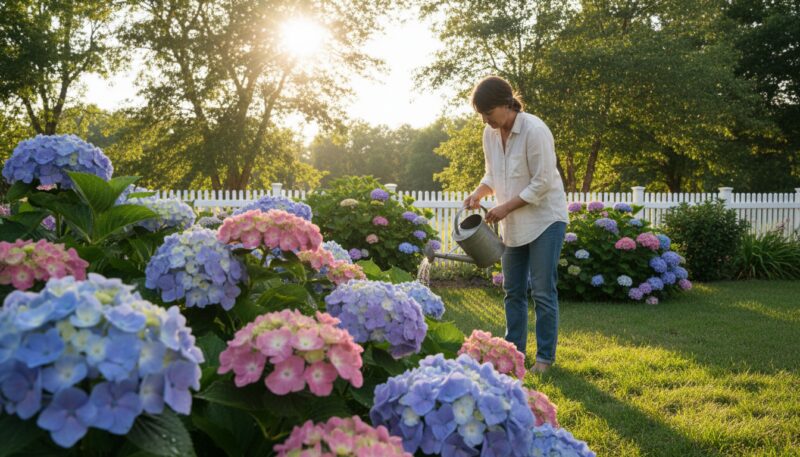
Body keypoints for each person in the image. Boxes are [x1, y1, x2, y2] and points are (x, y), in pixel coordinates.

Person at [463, 76, 569, 374]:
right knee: (513, 290)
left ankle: (545, 359)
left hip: (546, 219)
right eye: (481, 114)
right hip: (514, 222)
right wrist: (478, 193)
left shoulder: (534, 130)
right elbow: (492, 175)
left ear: (506, 104)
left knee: (543, 291)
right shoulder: (490, 133)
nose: (484, 119)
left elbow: (543, 182)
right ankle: (515, 355)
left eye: (488, 112)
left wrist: (504, 208)